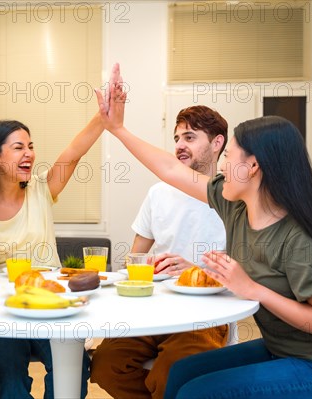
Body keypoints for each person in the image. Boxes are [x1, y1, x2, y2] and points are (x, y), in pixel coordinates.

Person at [95, 64, 312, 399]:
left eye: (229, 156)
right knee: (179, 376)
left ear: (253, 166)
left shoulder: (298, 237)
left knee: (195, 392)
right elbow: (170, 169)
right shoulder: (236, 207)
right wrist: (118, 129)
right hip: (282, 348)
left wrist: (251, 287)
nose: (223, 166)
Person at [0, 113, 104, 398]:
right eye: (19, 147)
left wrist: (104, 118)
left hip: (51, 304)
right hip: (0, 309)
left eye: (31, 146)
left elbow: (73, 153)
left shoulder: (41, 189)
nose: (29, 154)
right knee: (7, 380)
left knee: (72, 368)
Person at [90, 105, 229, 399]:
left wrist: (195, 270)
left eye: (190, 137)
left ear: (217, 143)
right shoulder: (159, 193)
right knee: (104, 365)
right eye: (177, 138)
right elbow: (133, 259)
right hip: (153, 308)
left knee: (172, 373)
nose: (179, 145)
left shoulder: (233, 197)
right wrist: (146, 266)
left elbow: (246, 269)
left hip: (204, 315)